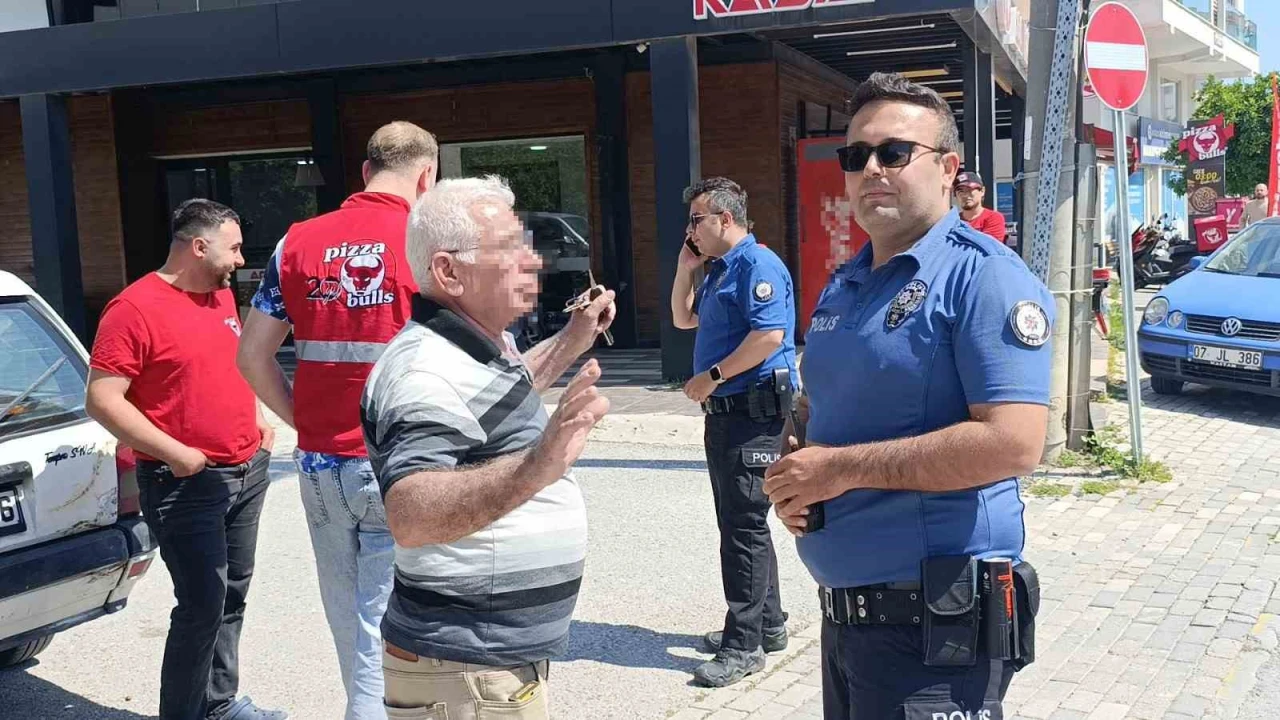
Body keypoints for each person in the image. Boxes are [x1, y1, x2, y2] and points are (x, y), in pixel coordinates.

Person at [763, 72, 1051, 718]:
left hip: (935, 631)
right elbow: (821, 398)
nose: (872, 169)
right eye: (855, 155)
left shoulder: (985, 278)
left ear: (948, 169)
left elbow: (1013, 443)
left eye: (894, 153)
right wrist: (795, 470)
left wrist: (836, 471)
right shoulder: (849, 281)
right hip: (850, 621)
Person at [360, 176, 616, 718]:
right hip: (464, 666)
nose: (532, 261)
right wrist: (537, 466)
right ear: (448, 272)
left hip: (479, 665)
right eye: (509, 248)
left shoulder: (478, 344)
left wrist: (574, 337)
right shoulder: (423, 370)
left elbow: (492, 404)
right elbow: (411, 514)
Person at [235, 121, 437, 720]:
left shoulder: (296, 242)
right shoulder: (431, 245)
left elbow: (251, 356)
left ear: (366, 172)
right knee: (387, 627)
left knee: (351, 623)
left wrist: (307, 424)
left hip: (322, 466)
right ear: (426, 176)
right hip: (398, 464)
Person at [86, 199, 284, 720]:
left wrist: (258, 418)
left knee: (231, 596)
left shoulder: (220, 296)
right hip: (185, 481)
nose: (240, 259)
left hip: (247, 470)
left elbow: (233, 363)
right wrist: (178, 455)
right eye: (234, 248)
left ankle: (218, 704)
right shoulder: (132, 309)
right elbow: (102, 399)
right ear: (199, 246)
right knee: (201, 607)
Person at [670, 176, 798, 688]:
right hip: (727, 415)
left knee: (742, 530)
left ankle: (743, 646)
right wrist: (685, 269)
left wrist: (713, 376)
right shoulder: (721, 269)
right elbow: (683, 319)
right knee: (743, 524)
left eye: (696, 220)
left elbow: (769, 335)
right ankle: (768, 624)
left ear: (725, 219)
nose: (690, 230)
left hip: (752, 412)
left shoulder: (757, 265)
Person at [953, 171, 1007, 244]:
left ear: (982, 191)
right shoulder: (953, 221)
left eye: (970, 190)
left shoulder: (994, 218)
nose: (965, 195)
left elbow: (988, 246)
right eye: (961, 191)